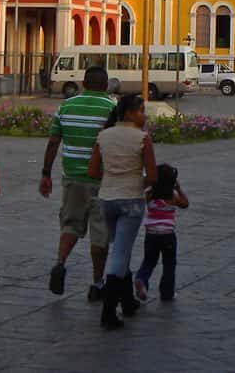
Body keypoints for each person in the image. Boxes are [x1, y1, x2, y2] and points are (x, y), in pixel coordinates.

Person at [39, 65, 116, 301]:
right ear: (105, 85)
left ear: (83, 83)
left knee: (70, 225)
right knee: (99, 234)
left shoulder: (66, 106)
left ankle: (60, 263)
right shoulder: (112, 108)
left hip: (72, 178)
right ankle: (97, 283)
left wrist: (45, 174)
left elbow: (53, 143)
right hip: (102, 180)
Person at [88, 93, 156, 329]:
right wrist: (137, 181)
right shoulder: (142, 138)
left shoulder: (103, 136)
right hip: (131, 200)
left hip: (107, 199)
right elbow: (153, 176)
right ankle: (108, 311)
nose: (144, 115)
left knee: (120, 247)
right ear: (129, 113)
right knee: (120, 253)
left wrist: (112, 177)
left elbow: (93, 171)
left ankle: (127, 301)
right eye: (141, 110)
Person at [133, 163, 187, 303]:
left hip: (151, 234)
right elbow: (185, 204)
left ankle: (142, 279)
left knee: (149, 260)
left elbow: (139, 201)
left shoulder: (150, 194)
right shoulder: (173, 195)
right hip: (168, 235)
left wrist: (148, 186)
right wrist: (179, 189)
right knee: (169, 263)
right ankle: (167, 293)